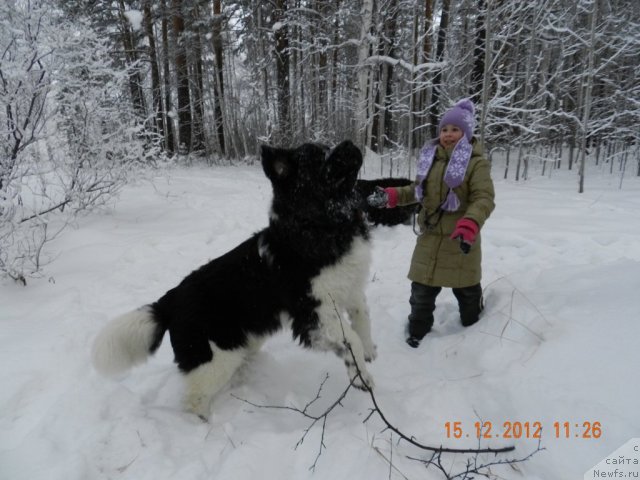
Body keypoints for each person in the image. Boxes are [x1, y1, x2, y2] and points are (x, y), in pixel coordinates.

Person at [368, 98, 495, 348]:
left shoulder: (476, 164)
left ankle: (475, 332)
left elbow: (483, 198)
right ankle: (417, 331)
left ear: (466, 133)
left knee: (467, 292)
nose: (448, 135)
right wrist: (392, 196)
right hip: (430, 237)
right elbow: (418, 190)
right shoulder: (431, 159)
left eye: (455, 129)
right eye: (445, 129)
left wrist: (470, 223)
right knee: (421, 293)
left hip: (460, 239)